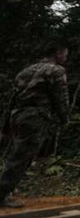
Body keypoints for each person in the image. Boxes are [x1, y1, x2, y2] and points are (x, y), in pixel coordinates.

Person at [0, 42, 70, 208]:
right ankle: (2, 194)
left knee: (17, 155)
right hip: (34, 117)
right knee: (21, 158)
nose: (66, 57)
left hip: (17, 115)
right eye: (65, 54)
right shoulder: (56, 71)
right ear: (58, 53)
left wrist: (5, 127)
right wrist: (64, 118)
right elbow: (60, 98)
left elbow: (13, 99)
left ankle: (4, 191)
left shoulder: (26, 71)